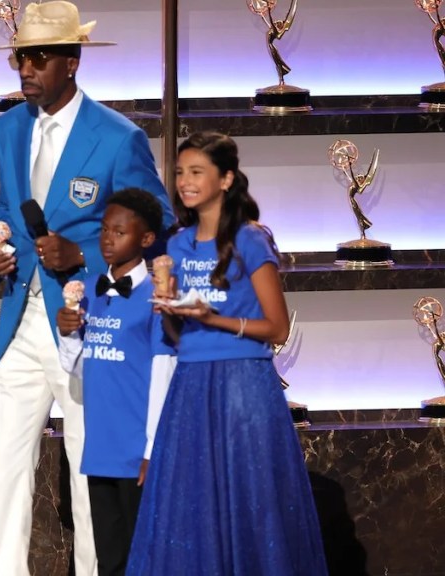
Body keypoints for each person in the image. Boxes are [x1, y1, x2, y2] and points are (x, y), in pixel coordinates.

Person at [0, 2, 174, 574]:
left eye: (39, 57)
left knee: (90, 469)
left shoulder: (119, 138)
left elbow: (155, 225)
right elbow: (6, 205)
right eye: (21, 56)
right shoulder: (7, 127)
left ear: (72, 61)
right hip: (19, 318)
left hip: (88, 326)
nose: (26, 68)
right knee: (5, 469)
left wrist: (84, 255)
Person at [126, 132, 327, 575]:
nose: (184, 182)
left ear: (226, 178)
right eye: (180, 172)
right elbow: (177, 336)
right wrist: (170, 311)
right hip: (191, 387)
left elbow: (277, 327)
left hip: (244, 388)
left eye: (197, 172)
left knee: (251, 502)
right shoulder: (176, 244)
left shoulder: (251, 240)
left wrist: (212, 317)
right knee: (190, 507)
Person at [55, 189, 176, 576]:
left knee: (145, 557)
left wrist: (153, 448)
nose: (108, 239)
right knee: (109, 559)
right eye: (105, 230)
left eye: (119, 232)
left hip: (138, 451)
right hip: (101, 447)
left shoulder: (155, 295)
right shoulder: (88, 289)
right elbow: (79, 369)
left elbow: (163, 371)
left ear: (145, 239)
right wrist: (69, 333)